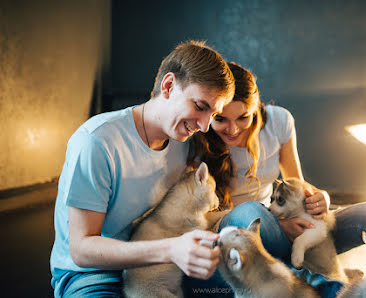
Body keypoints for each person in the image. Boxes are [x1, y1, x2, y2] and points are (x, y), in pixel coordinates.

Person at [186, 62, 366, 298]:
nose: (233, 129)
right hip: (242, 233)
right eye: (221, 119)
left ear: (257, 108)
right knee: (250, 211)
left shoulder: (278, 121)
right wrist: (279, 225)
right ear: (212, 112)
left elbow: (298, 184)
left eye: (243, 117)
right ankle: (332, 291)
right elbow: (197, 217)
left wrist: (321, 198)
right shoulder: (197, 133)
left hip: (288, 221)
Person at [50, 40, 236, 297]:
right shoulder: (97, 141)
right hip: (94, 272)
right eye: (200, 107)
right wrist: (171, 249)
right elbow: (81, 250)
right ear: (168, 86)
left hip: (162, 264)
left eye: (213, 115)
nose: (204, 126)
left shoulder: (183, 143)